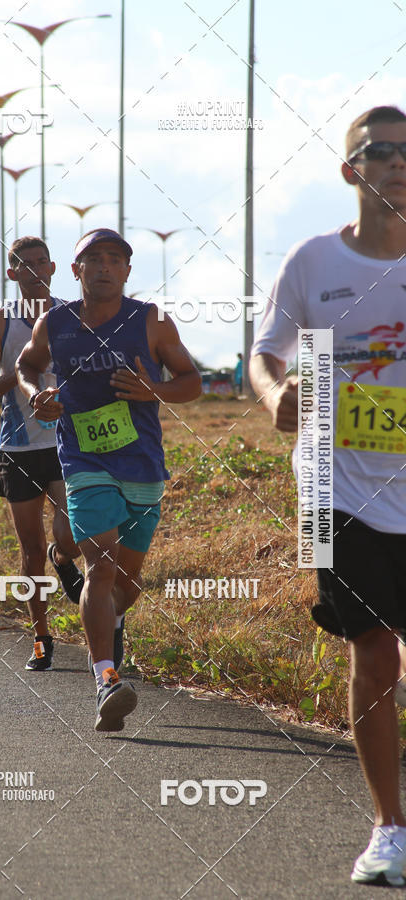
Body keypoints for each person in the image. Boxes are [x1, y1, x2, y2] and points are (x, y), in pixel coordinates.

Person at [249, 105, 406, 886]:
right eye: (379, 152)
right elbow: (264, 353)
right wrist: (276, 391)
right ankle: (390, 828)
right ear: (352, 172)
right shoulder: (314, 263)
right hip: (332, 489)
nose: (397, 163)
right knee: (374, 657)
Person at [17, 228, 201, 730]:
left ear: (126, 270)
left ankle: (109, 619)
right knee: (99, 567)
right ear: (75, 271)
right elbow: (26, 366)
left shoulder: (151, 320)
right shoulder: (55, 323)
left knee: (127, 583)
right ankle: (106, 679)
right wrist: (38, 392)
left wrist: (152, 390)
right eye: (92, 259)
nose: (103, 266)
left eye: (114, 259)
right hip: (83, 462)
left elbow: (192, 383)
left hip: (141, 465)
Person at [0, 236, 83, 672]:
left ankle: (64, 558)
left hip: (65, 440)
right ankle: (41, 638)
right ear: (12, 273)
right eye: (26, 264)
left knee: (70, 527)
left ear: (54, 268)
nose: (36, 270)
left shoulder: (71, 316)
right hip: (18, 446)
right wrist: (19, 372)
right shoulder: (0, 322)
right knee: (30, 550)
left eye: (43, 262)